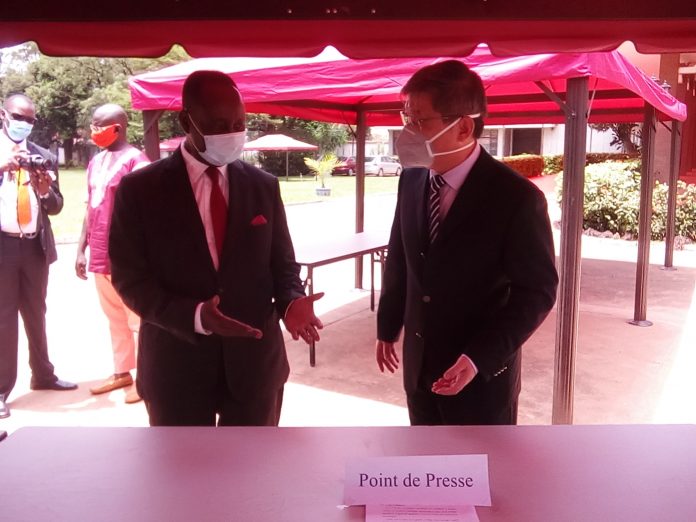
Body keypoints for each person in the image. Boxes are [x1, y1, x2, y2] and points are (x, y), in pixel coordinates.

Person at [108, 71, 324, 426]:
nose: (232, 133)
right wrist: (194, 316)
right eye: (219, 124)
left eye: (239, 123)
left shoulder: (262, 186)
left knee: (253, 476)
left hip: (254, 367)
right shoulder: (140, 190)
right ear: (186, 121)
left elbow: (282, 264)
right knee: (184, 478)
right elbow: (131, 280)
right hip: (176, 369)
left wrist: (290, 302)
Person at [375, 61, 558, 426]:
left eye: (419, 120)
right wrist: (388, 325)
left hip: (479, 379)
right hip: (420, 366)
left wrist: (478, 358)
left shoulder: (516, 198)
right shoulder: (411, 179)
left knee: (479, 477)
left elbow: (536, 292)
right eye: (405, 116)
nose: (406, 131)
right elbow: (401, 257)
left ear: (463, 127)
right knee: (428, 472)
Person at [0, 94, 77, 420]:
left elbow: (56, 207)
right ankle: (2, 390)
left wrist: (44, 189)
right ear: (3, 114)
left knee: (37, 312)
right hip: (3, 246)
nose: (25, 124)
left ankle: (43, 375)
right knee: (3, 318)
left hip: (34, 247)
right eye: (19, 116)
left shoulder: (42, 155)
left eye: (31, 120)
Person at [75, 104, 149, 404]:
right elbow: (89, 207)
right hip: (99, 254)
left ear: (118, 128)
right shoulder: (96, 162)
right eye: (92, 125)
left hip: (126, 257)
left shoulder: (137, 162)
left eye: (99, 125)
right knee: (114, 317)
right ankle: (122, 371)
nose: (94, 131)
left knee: (137, 319)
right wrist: (81, 248)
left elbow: (146, 215)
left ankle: (146, 377)